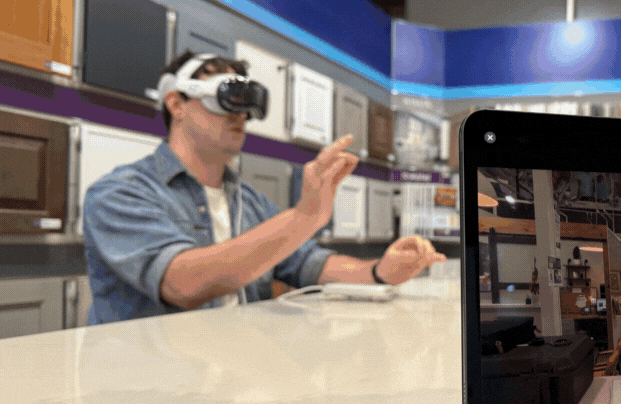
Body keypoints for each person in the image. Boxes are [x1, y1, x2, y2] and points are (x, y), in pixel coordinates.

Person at [83, 51, 446, 325]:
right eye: (225, 98)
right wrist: (304, 217)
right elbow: (182, 283)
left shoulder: (250, 202)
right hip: (148, 394)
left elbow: (309, 264)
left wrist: (380, 271)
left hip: (236, 381)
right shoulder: (119, 194)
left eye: (246, 104)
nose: (240, 114)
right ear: (176, 103)